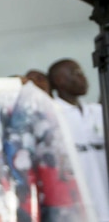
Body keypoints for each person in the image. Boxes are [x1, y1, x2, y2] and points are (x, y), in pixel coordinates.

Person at [48, 58, 109, 221]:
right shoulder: (52, 114)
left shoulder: (98, 112)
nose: (83, 78)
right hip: (76, 207)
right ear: (59, 80)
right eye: (77, 73)